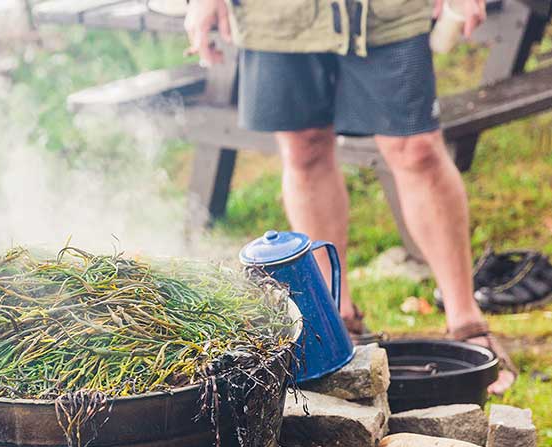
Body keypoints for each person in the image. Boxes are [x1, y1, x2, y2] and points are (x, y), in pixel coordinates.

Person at [184, 0, 515, 394]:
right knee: (304, 148)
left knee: (417, 148)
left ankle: (465, 320)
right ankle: (338, 318)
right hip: (278, 14)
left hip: (385, 11)